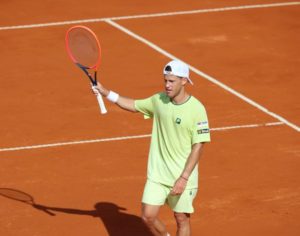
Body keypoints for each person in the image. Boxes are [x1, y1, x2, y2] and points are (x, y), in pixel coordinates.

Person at [92, 60, 211, 236]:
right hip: (158, 174)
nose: (167, 85)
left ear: (184, 81)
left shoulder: (197, 109)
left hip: (182, 175)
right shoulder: (159, 100)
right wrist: (106, 93)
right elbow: (133, 105)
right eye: (166, 80)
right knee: (148, 216)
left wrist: (184, 178)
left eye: (172, 81)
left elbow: (198, 146)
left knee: (181, 219)